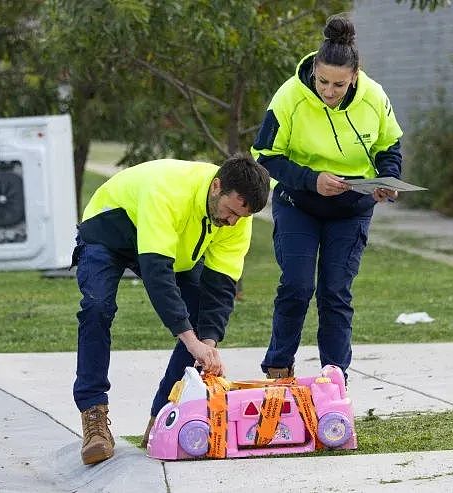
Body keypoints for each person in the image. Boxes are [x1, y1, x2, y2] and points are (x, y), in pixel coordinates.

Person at [71, 153, 270, 465]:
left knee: (202, 325)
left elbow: (221, 287)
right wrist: (190, 340)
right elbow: (157, 274)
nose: (232, 222)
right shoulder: (168, 190)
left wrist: (208, 343)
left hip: (171, 248)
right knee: (97, 307)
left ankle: (163, 416)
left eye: (240, 217)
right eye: (231, 211)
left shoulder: (237, 220)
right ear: (216, 186)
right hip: (109, 231)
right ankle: (94, 416)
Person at [250, 15, 403, 382]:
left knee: (335, 292)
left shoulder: (374, 97)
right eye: (322, 81)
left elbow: (389, 146)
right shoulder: (289, 96)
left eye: (338, 84)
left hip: (351, 210)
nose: (329, 91)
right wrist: (310, 179)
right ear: (314, 71)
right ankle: (278, 367)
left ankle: (334, 377)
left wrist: (387, 179)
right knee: (297, 285)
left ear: (354, 76)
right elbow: (265, 155)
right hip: (298, 203)